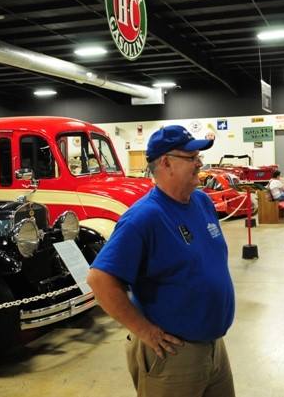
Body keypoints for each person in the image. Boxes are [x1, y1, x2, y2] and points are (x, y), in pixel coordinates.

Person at [87, 125, 236, 397]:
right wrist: (144, 330)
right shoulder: (144, 218)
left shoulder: (201, 202)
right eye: (191, 158)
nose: (199, 163)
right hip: (174, 356)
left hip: (214, 346)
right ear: (166, 162)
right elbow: (100, 280)